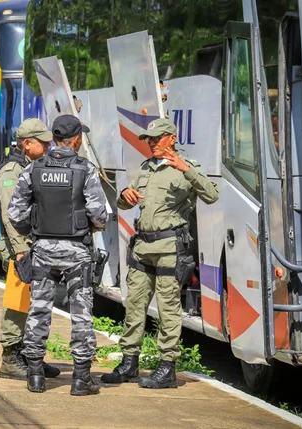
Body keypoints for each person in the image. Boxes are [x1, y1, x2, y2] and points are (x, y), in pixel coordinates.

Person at [101, 117, 219, 389]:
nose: (152, 143)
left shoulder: (188, 168)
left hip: (169, 249)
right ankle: (129, 362)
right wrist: (125, 195)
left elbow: (213, 195)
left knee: (168, 308)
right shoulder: (146, 169)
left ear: (172, 139)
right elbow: (127, 200)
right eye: (149, 140)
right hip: (143, 247)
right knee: (134, 306)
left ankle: (167, 367)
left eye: (157, 139)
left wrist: (186, 170)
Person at [8, 114, 108, 396]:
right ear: (76, 139)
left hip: (42, 250)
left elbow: (15, 213)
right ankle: (80, 379)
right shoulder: (84, 169)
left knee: (38, 311)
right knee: (81, 314)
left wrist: (38, 226)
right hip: (77, 251)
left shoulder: (34, 169)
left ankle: (36, 376)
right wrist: (86, 225)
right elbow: (99, 215)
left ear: (54, 139)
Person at [0, 118, 60, 381]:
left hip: (35, 245)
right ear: (26, 143)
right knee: (17, 305)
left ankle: (32, 357)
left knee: (35, 306)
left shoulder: (33, 166)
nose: (47, 147)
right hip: (18, 248)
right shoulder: (12, 171)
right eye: (42, 143)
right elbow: (11, 215)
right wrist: (21, 251)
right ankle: (10, 359)